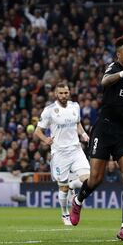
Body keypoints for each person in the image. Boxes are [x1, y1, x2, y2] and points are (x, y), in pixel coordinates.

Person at [69, 36, 123, 241]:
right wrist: (122, 72)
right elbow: (105, 82)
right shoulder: (113, 69)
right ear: (119, 55)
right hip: (104, 129)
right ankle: (78, 200)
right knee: (96, 178)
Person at [34, 82, 90, 225]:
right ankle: (65, 214)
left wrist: (83, 134)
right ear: (56, 94)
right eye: (61, 93)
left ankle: (73, 186)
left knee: (89, 179)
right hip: (60, 153)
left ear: (69, 92)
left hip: (76, 150)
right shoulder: (49, 110)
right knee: (62, 187)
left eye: (66, 93)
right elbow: (37, 131)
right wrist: (45, 139)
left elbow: (77, 123)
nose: (64, 95)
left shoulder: (75, 106)